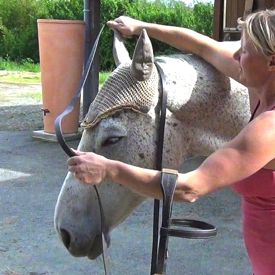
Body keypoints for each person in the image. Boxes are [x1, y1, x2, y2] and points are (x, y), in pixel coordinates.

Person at [68, 10, 275, 275]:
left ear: (271, 62)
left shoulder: (268, 129)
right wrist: (140, 26)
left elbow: (190, 188)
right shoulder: (257, 86)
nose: (235, 56)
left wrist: (110, 169)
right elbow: (200, 45)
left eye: (244, 51)